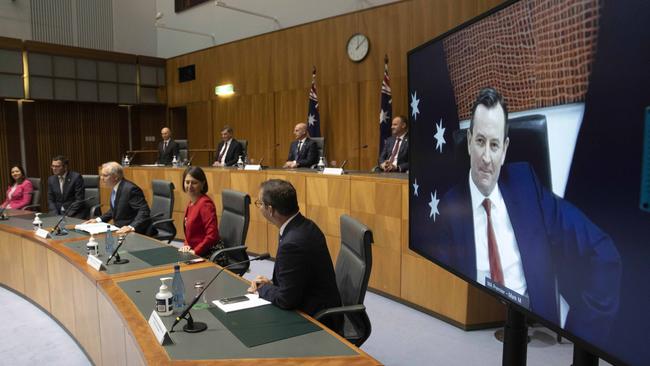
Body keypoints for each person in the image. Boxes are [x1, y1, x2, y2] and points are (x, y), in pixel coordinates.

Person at [434, 87, 621, 341]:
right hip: (475, 336)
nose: (486, 157)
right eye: (479, 141)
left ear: (505, 149)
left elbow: (603, 252)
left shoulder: (526, 186)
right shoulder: (448, 210)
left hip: (538, 335)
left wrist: (578, 336)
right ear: (468, 142)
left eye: (494, 144)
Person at [247, 179, 341, 329]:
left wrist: (262, 288)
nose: (259, 207)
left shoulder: (292, 243)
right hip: (314, 299)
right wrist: (273, 284)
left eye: (260, 204)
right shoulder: (303, 224)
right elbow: (296, 276)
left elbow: (286, 300)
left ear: (270, 210)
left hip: (317, 319)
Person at [84, 162, 151, 235]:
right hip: (119, 229)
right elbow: (114, 210)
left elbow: (144, 211)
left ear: (116, 177)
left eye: (105, 175)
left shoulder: (130, 189)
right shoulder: (116, 187)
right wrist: (98, 220)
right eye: (101, 175)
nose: (101, 178)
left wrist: (131, 227)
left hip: (134, 231)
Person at [179, 166, 219, 256]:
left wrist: (196, 251)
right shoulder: (191, 202)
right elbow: (189, 232)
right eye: (187, 182)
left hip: (207, 253)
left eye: (194, 183)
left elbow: (212, 235)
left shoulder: (205, 204)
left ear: (202, 184)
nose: (189, 186)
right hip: (194, 249)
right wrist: (186, 244)